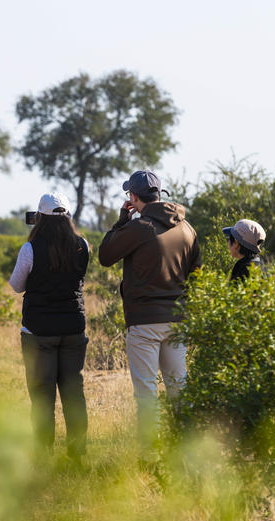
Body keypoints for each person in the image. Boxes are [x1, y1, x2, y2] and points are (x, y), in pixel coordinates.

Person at [97, 170, 201, 445]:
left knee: (147, 395)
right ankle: (187, 451)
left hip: (143, 322)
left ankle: (151, 458)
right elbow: (197, 275)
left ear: (133, 197)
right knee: (179, 390)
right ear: (159, 193)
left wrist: (121, 220)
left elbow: (105, 255)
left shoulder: (138, 227)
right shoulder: (187, 228)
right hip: (178, 321)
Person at [8, 192, 90, 463]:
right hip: (73, 329)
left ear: (39, 218)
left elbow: (17, 285)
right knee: (73, 393)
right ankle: (77, 455)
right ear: (68, 217)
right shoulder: (83, 245)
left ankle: (44, 456)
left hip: (38, 332)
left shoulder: (30, 249)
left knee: (42, 396)